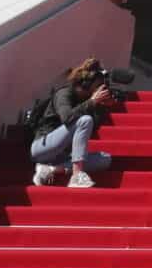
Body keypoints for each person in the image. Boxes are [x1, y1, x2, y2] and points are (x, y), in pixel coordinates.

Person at [30, 58, 117, 189]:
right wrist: (92, 102)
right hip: (43, 147)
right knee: (85, 120)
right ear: (87, 83)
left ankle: (53, 169)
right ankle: (76, 175)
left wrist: (102, 106)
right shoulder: (64, 93)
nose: (100, 89)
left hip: (63, 154)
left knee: (105, 158)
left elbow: (90, 131)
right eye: (98, 85)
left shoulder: (87, 100)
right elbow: (67, 117)